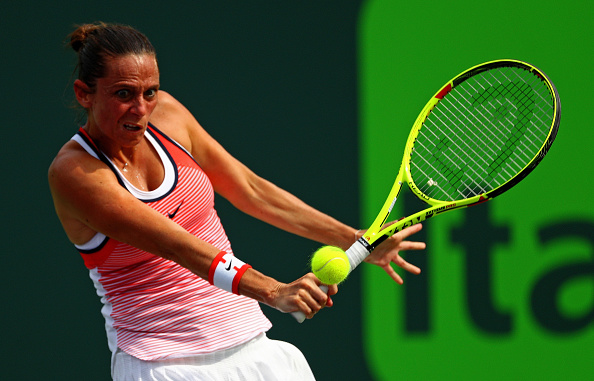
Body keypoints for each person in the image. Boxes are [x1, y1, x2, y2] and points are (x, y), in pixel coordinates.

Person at [48, 22, 426, 380]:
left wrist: (351, 238)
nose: (142, 109)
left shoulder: (169, 116)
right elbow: (178, 245)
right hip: (162, 365)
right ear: (85, 93)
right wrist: (274, 291)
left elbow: (250, 189)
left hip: (254, 350)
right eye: (123, 94)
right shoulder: (75, 174)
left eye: (150, 92)